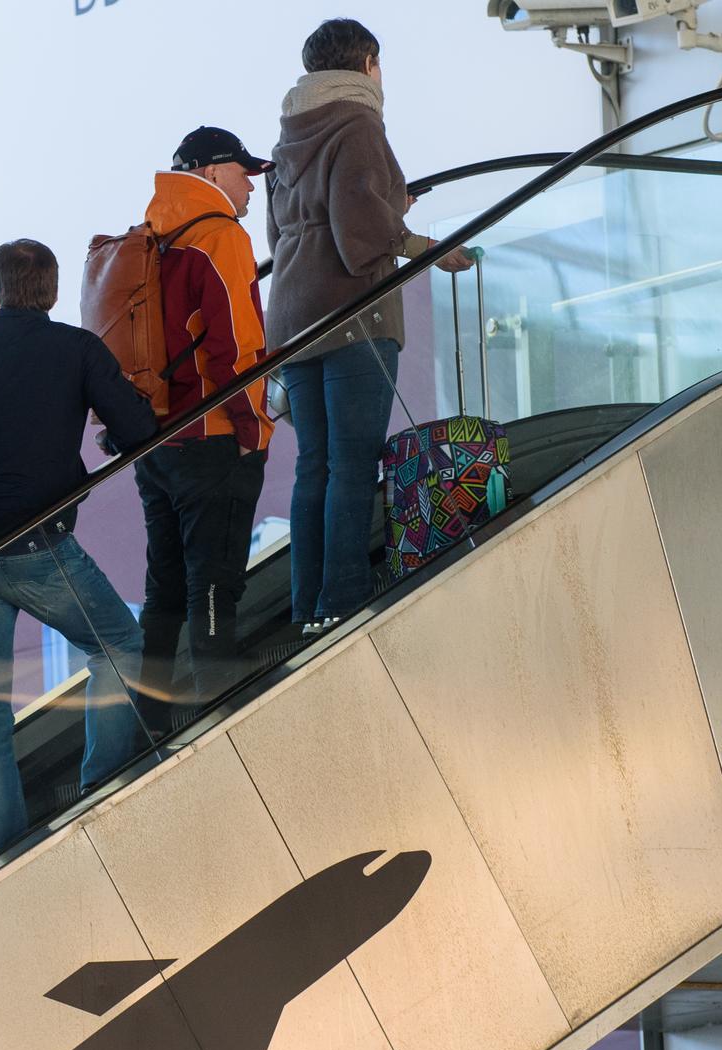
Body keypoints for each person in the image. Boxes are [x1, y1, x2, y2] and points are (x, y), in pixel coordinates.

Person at [0, 239, 160, 860]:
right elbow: (139, 429)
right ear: (51, 295)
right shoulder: (76, 349)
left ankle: (0, 856)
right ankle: (101, 788)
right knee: (118, 645)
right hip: (38, 545)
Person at [265, 18, 475, 635]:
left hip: (295, 318)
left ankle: (309, 609)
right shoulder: (356, 123)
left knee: (315, 466)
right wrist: (425, 246)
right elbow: (357, 224)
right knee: (352, 466)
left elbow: (284, 234)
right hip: (353, 315)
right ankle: (344, 601)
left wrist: (385, 206)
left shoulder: (288, 138)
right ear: (367, 64)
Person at [134, 126, 278, 726]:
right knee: (214, 584)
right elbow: (235, 349)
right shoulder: (219, 236)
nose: (251, 186)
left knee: (164, 592)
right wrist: (253, 430)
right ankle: (218, 722)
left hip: (154, 442)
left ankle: (149, 726)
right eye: (244, 172)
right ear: (212, 172)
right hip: (211, 434)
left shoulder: (148, 237)